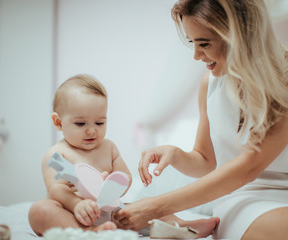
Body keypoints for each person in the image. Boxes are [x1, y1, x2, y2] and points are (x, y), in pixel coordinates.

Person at [114, 1, 288, 240]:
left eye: (204, 44)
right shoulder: (209, 84)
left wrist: (156, 205)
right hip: (246, 195)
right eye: (192, 43)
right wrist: (176, 154)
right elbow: (207, 161)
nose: (197, 55)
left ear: (239, 35)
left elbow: (252, 163)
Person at [28, 74, 219, 238]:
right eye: (80, 123)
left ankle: (184, 226)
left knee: (148, 206)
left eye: (99, 123)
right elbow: (56, 189)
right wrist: (77, 204)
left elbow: (125, 177)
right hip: (73, 213)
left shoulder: (108, 147)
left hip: (111, 212)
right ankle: (90, 234)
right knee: (40, 210)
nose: (91, 131)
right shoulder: (57, 154)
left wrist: (112, 184)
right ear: (58, 122)